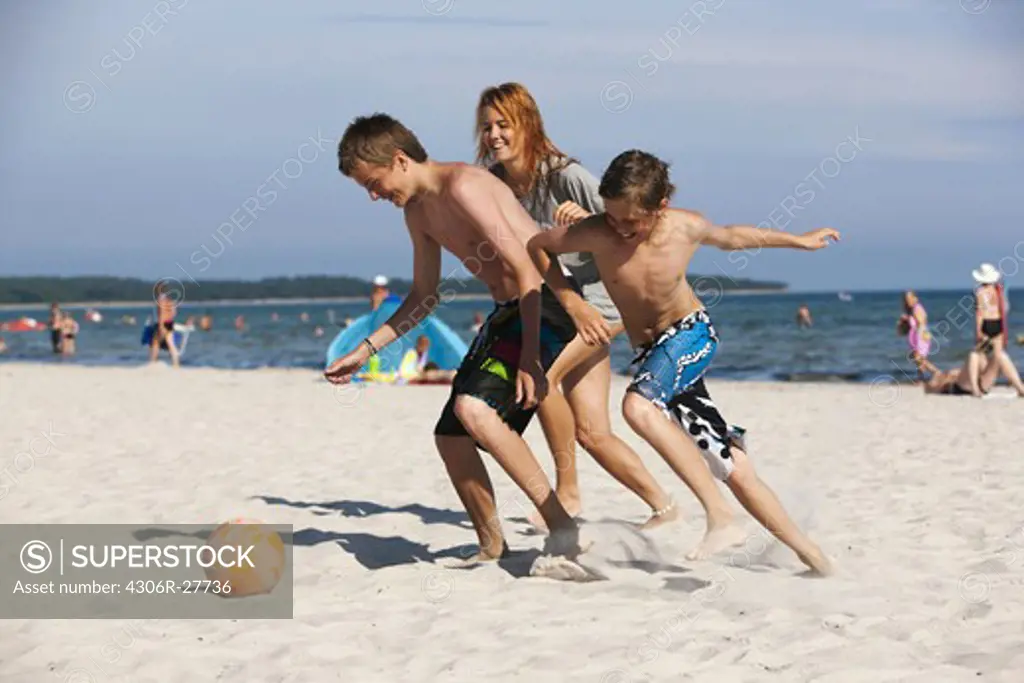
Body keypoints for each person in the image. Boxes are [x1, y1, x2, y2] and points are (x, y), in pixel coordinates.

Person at [528, 149, 835, 573]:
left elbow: (733, 237)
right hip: (655, 355)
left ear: (660, 208)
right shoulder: (598, 232)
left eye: (631, 220)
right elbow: (538, 246)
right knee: (732, 467)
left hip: (692, 333)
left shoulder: (684, 227)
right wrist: (573, 304)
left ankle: (720, 516)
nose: (620, 227)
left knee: (637, 406)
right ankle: (814, 558)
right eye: (613, 216)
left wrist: (798, 240)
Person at [326, 113, 585, 566]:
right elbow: (424, 297)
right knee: (451, 437)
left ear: (400, 160)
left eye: (374, 181)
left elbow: (527, 267)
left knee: (474, 409)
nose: (373, 195)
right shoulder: (417, 212)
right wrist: (364, 351)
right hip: (510, 312)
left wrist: (530, 358)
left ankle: (562, 527)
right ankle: (491, 546)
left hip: (546, 301)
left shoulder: (464, 186)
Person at [477, 82, 677, 530]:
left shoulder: (566, 176)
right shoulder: (495, 184)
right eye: (487, 126)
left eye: (504, 124)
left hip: (604, 305)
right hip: (563, 308)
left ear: (527, 124)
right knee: (591, 432)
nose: (494, 135)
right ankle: (664, 507)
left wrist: (587, 224)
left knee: (540, 378)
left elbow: (639, 228)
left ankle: (566, 494)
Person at [968, 263, 1024, 397]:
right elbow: (1004, 309)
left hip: (986, 323)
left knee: (979, 355)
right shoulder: (998, 291)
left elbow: (979, 313)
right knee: (998, 356)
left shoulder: (980, 292)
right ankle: (1017, 385)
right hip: (998, 323)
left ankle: (980, 385)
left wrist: (978, 331)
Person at [897, 291, 939, 380]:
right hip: (915, 338)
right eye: (906, 299)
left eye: (909, 298)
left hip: (920, 337)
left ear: (915, 298)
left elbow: (921, 323)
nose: (908, 301)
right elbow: (906, 329)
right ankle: (921, 378)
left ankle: (937, 372)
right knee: (919, 361)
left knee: (919, 358)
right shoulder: (911, 310)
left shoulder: (917, 308)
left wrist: (921, 339)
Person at [924, 351, 1002, 397]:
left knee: (995, 356)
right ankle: (975, 390)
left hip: (977, 384)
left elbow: (930, 367)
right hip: (963, 387)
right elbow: (930, 388)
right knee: (974, 356)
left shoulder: (940, 375)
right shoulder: (941, 383)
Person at [149, 282, 181, 367]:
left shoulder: (161, 300)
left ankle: (153, 362)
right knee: (171, 344)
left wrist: (160, 326)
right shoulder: (170, 300)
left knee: (155, 343)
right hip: (169, 322)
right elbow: (174, 313)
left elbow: (161, 314)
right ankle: (176, 363)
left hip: (163, 323)